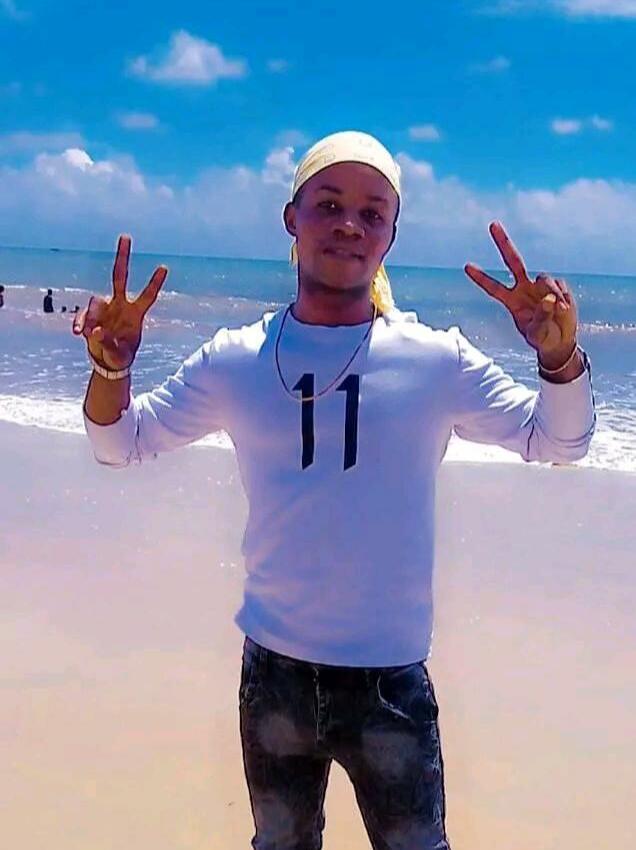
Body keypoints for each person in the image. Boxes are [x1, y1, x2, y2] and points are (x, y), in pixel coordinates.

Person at [73, 130, 595, 850]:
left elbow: (560, 442)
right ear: (291, 218)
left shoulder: (434, 360)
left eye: (372, 213)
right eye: (327, 204)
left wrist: (560, 358)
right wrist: (112, 369)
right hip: (274, 677)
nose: (349, 224)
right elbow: (118, 444)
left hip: (390, 683)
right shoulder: (236, 359)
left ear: (390, 237)